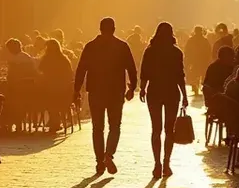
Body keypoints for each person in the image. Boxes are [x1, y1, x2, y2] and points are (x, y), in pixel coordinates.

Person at [74, 17, 138, 176]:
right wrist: (132, 87)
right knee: (115, 126)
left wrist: (76, 90)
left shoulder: (91, 46)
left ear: (100, 29)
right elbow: (131, 68)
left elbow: (81, 69)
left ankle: (99, 162)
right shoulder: (122, 46)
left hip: (96, 91)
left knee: (97, 127)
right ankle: (109, 154)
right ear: (114, 29)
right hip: (116, 91)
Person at [139, 22, 188, 179]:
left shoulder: (150, 51)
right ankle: (166, 163)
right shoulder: (176, 52)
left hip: (154, 91)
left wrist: (142, 88)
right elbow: (180, 75)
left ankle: (157, 164)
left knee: (156, 129)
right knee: (169, 130)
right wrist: (185, 95)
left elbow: (144, 72)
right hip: (172, 92)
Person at [39, 38, 75, 132]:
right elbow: (70, 74)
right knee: (51, 98)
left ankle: (54, 121)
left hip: (53, 90)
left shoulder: (47, 59)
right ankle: (55, 120)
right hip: (65, 91)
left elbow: (40, 69)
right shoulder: (64, 59)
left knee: (45, 98)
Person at [184, 27, 211, 94]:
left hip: (196, 60)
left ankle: (195, 86)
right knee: (201, 74)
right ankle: (199, 86)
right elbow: (208, 50)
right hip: (201, 60)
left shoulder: (191, 40)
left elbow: (187, 50)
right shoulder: (204, 40)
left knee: (196, 73)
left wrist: (188, 59)